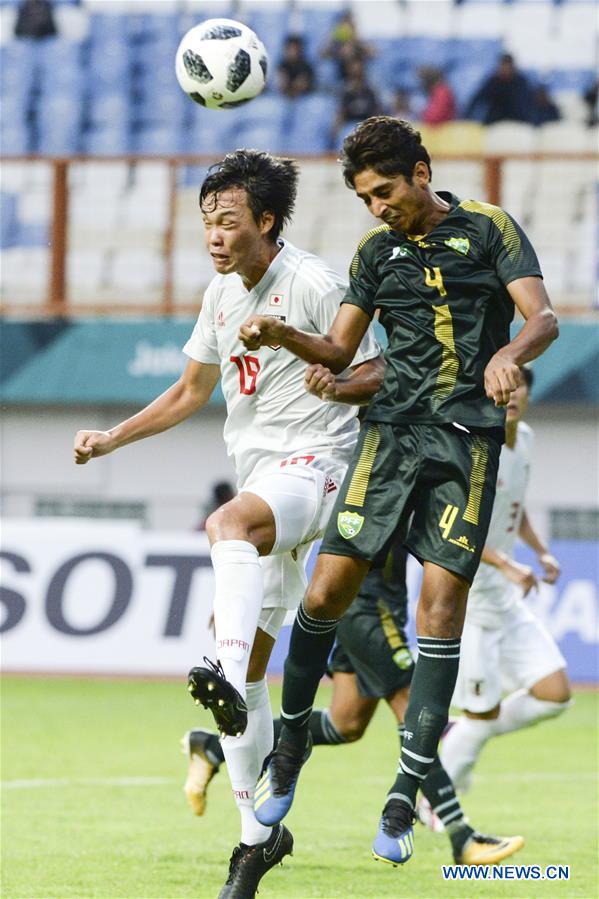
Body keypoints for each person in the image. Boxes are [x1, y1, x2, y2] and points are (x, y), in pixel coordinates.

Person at [238, 116, 558, 867]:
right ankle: (285, 750)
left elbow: (540, 317)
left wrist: (508, 354)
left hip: (463, 443)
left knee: (438, 608)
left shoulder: (488, 228)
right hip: (388, 437)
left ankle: (403, 790)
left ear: (419, 171)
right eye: (363, 198)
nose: (378, 207)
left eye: (384, 191)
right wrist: (284, 337)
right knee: (323, 593)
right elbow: (340, 350)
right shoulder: (375, 251)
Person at [73, 149, 381, 899]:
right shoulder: (219, 295)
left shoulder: (313, 283)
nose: (214, 234)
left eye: (228, 221)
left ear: (267, 221)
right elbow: (188, 391)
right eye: (207, 220)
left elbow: (379, 370)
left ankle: (219, 663)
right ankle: (257, 837)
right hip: (266, 475)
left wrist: (334, 379)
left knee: (227, 524)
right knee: (248, 678)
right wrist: (114, 435)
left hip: (322, 464)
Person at [184, 530, 524, 866]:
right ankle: (462, 837)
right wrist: (237, 597)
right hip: (366, 609)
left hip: (377, 604)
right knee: (412, 710)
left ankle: (211, 747)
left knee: (346, 722)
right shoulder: (366, 478)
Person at [436, 366, 571, 797]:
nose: (511, 398)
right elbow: (455, 528)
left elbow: (516, 506)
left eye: (519, 392)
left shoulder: (525, 439)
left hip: (505, 600)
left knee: (555, 694)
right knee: (481, 714)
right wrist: (507, 566)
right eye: (505, 390)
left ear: (528, 396)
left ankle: (464, 735)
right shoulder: (477, 446)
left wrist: (540, 551)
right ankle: (433, 804)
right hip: (472, 601)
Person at [465, 53, 535, 125]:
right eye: (503, 66)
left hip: (517, 123)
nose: (505, 69)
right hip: (495, 122)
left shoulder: (521, 82)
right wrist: (466, 117)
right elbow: (477, 99)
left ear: (512, 67)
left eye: (507, 66)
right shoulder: (493, 81)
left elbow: (529, 104)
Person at [332, 58, 382, 145]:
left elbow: (376, 111)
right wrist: (335, 131)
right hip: (349, 125)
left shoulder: (370, 89)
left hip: (366, 125)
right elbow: (341, 112)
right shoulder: (344, 90)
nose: (356, 70)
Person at [321, 9, 375, 82]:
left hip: (359, 83)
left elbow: (373, 53)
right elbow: (322, 55)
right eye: (344, 24)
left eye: (349, 25)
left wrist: (356, 40)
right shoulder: (335, 46)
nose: (347, 28)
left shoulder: (358, 45)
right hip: (340, 81)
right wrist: (331, 38)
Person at [277, 35, 315, 99]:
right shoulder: (282, 65)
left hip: (304, 99)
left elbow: (301, 87)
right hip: (284, 99)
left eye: (295, 49)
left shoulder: (305, 66)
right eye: (290, 49)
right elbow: (281, 86)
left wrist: (291, 87)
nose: (292, 52)